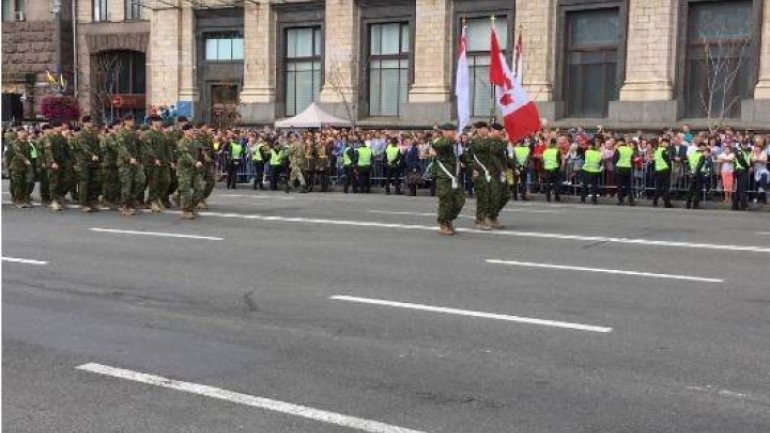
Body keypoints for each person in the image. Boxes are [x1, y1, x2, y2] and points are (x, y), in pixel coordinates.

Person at [432, 123, 465, 235]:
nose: (454, 133)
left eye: (454, 131)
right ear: (444, 132)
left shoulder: (454, 144)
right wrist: (454, 140)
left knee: (460, 200)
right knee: (445, 201)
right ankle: (443, 224)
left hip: (454, 176)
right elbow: (439, 145)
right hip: (444, 176)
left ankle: (448, 219)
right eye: (451, 131)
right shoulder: (439, 141)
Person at [115, 114, 145, 216]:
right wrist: (129, 158)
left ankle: (132, 200)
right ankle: (125, 206)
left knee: (141, 180)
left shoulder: (133, 132)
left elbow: (138, 146)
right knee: (126, 185)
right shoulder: (121, 133)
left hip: (135, 162)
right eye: (131, 120)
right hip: (125, 163)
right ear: (125, 121)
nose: (133, 122)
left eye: (133, 120)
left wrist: (140, 139)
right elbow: (122, 147)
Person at [71, 115, 102, 212]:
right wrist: (92, 154)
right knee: (84, 182)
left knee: (97, 180)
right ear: (84, 123)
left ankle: (92, 200)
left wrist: (99, 156)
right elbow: (84, 147)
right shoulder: (81, 134)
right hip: (84, 161)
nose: (91, 123)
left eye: (91, 122)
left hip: (94, 161)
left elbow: (97, 146)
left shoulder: (93, 133)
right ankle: (83, 203)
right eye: (89, 122)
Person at [468, 121, 495, 230]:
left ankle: (482, 217)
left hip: (487, 171)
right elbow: (481, 147)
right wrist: (490, 138)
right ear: (478, 130)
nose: (486, 131)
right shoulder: (475, 140)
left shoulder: (486, 139)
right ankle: (480, 220)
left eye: (487, 129)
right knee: (482, 197)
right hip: (479, 171)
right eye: (484, 129)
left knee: (487, 195)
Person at [176, 125, 205, 220]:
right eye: (190, 130)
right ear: (184, 131)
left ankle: (191, 207)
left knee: (200, 188)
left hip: (194, 170)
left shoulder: (194, 141)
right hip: (184, 170)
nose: (192, 131)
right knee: (186, 190)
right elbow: (186, 155)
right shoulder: (181, 143)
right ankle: (185, 211)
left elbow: (201, 150)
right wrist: (195, 162)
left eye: (193, 130)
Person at [43, 121, 73, 211]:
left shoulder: (61, 137)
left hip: (63, 163)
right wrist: (52, 162)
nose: (62, 128)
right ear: (55, 127)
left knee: (67, 179)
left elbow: (67, 150)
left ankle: (60, 196)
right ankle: (54, 201)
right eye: (60, 127)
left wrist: (72, 161)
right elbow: (48, 151)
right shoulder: (49, 137)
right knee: (54, 182)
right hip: (54, 163)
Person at [8, 126, 34, 208]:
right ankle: (17, 201)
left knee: (26, 183)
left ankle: (25, 200)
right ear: (17, 133)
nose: (23, 133)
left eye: (24, 132)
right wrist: (25, 160)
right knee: (18, 184)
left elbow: (32, 151)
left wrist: (29, 142)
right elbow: (18, 153)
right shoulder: (15, 142)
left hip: (26, 167)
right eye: (21, 132)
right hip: (17, 166)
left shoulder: (27, 142)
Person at [686, 142, 710, 209]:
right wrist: (696, 174)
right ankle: (695, 205)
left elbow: (689, 164)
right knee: (697, 191)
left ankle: (688, 204)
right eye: (704, 147)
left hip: (692, 173)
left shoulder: (692, 154)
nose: (705, 148)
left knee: (691, 190)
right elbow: (699, 165)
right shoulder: (701, 155)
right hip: (699, 174)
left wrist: (691, 173)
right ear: (701, 147)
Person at [613, 138, 635, 206]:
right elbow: (632, 161)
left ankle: (621, 200)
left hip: (619, 169)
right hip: (628, 169)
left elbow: (614, 160)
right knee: (628, 187)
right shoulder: (630, 150)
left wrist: (615, 169)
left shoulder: (618, 149)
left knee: (619, 186)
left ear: (620, 143)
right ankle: (631, 201)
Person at [653, 138, 674, 208]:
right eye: (666, 143)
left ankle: (655, 202)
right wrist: (670, 169)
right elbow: (668, 161)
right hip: (665, 171)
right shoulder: (663, 151)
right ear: (663, 143)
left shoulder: (657, 151)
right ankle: (666, 203)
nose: (667, 144)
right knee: (666, 188)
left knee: (658, 188)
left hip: (658, 171)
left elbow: (655, 161)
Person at [581, 138, 602, 205]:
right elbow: (600, 162)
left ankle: (583, 200)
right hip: (595, 171)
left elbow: (583, 159)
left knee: (584, 186)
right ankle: (594, 201)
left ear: (590, 146)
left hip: (586, 170)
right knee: (594, 187)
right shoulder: (599, 154)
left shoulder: (587, 152)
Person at [732, 141, 751, 211]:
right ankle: (743, 206)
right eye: (743, 144)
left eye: (746, 144)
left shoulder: (747, 152)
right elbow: (741, 161)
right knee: (742, 190)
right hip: (741, 171)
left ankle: (735, 206)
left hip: (744, 171)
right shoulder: (739, 151)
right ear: (741, 144)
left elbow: (749, 159)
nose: (745, 145)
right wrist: (748, 167)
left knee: (739, 189)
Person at [541, 138, 561, 203]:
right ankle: (556, 197)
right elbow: (559, 160)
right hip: (555, 169)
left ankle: (548, 198)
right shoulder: (557, 151)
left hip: (547, 169)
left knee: (548, 184)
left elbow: (542, 160)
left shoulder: (545, 151)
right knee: (556, 184)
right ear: (555, 143)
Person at [751, 136, 768, 204]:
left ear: (760, 148)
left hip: (763, 170)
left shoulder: (764, 153)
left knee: (763, 180)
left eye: (758, 148)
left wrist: (757, 160)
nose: (756, 149)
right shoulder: (752, 153)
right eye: (755, 148)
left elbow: (765, 160)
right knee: (755, 185)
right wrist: (757, 160)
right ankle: (755, 198)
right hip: (755, 171)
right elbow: (751, 160)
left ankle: (763, 198)